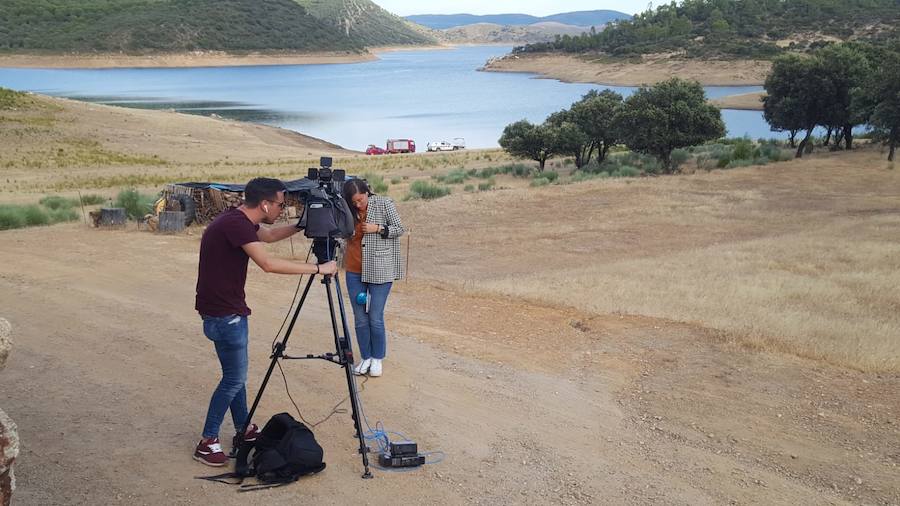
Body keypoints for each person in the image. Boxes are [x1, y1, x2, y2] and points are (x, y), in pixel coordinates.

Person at [193, 177, 337, 467]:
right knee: (234, 379)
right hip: (226, 315)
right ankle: (207, 441)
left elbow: (269, 236)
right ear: (265, 203)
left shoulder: (236, 220)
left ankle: (243, 429)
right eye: (281, 204)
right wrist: (319, 268)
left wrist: (300, 225)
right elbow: (268, 264)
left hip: (219, 311)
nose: (282, 209)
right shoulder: (236, 225)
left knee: (235, 376)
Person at [342, 179, 405, 378]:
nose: (358, 205)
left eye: (360, 200)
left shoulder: (384, 203)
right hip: (354, 270)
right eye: (354, 203)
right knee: (360, 318)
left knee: (375, 318)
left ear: (366, 192)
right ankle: (366, 357)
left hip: (380, 269)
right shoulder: (347, 210)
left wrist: (378, 228)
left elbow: (399, 229)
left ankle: (377, 358)